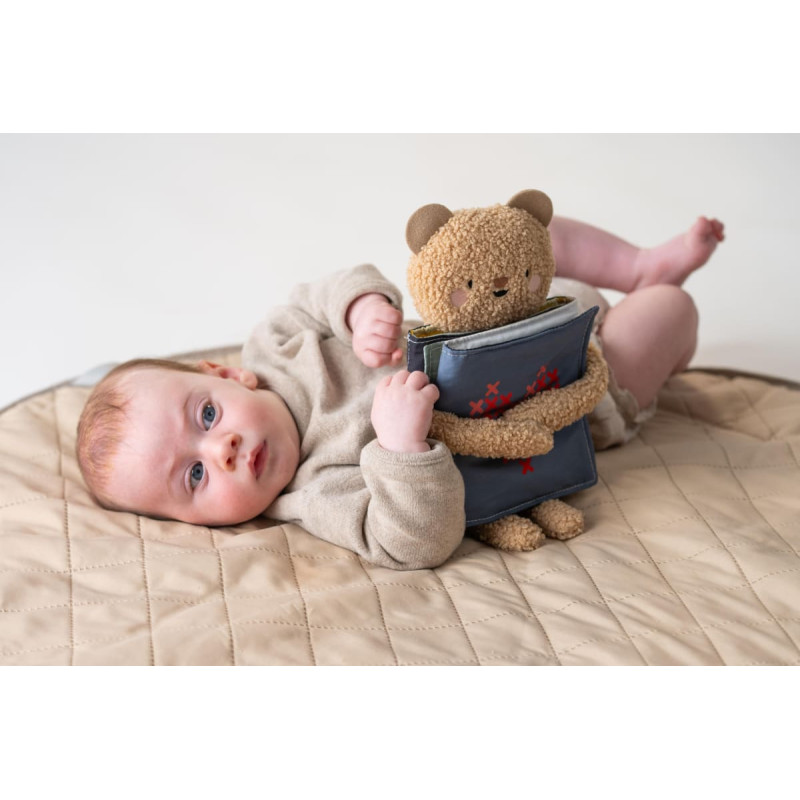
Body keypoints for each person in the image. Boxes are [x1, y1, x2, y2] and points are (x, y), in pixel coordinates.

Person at [76, 215, 724, 569]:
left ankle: (636, 264)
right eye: (193, 476)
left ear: (223, 376)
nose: (220, 449)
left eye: (206, 416)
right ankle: (654, 296)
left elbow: (324, 290)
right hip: (574, 388)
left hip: (497, 306)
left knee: (517, 229)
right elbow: (412, 541)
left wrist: (362, 311)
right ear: (196, 525)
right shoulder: (317, 493)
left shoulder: (276, 344)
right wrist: (401, 451)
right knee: (669, 311)